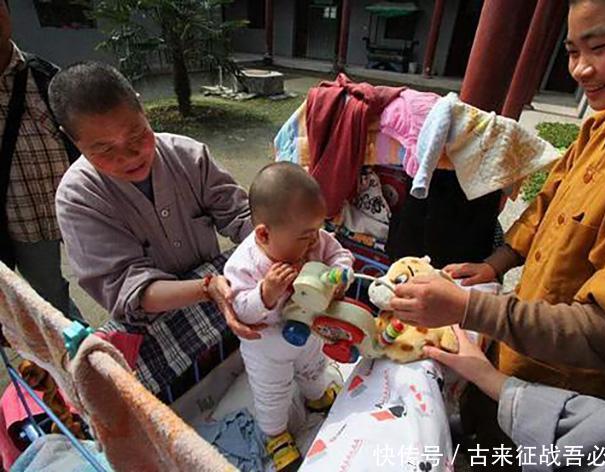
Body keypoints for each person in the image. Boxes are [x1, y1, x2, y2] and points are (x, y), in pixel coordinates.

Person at [390, 0, 605, 465]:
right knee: (479, 440)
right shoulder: (601, 124)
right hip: (515, 360)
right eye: (570, 51)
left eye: (600, 47)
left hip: (576, 399)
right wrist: (495, 263)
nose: (581, 69)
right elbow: (546, 207)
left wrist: (471, 308)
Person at [51, 62, 261, 398]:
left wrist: (281, 236)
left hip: (218, 301)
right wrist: (208, 288)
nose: (130, 155)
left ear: (140, 105)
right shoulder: (78, 198)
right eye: (104, 150)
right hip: (155, 323)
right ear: (71, 140)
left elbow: (240, 215)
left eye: (137, 135)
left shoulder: (188, 155)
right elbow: (129, 288)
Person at [224, 162, 353, 471]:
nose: (314, 243)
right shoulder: (244, 263)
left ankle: (316, 396)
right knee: (273, 393)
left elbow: (339, 254)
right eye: (305, 237)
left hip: (309, 329)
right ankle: (275, 434)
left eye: (316, 233)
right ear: (264, 234)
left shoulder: (315, 239)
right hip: (266, 346)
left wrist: (340, 274)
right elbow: (240, 308)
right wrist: (265, 294)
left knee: (314, 367)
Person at [424, 326, 605, 471]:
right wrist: (491, 379)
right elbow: (602, 429)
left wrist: (479, 310)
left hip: (559, 381)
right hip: (522, 396)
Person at [0, 0, 81, 319]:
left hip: (73, 210)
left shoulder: (44, 75)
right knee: (49, 295)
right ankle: (79, 354)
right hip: (20, 222)